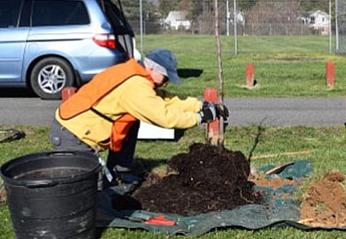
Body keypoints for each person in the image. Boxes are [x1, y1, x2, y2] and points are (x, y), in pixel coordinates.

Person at [49, 48, 228, 190]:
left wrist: (200, 105)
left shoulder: (137, 74)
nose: (166, 82)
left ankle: (119, 173)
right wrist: (200, 118)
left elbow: (166, 99)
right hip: (73, 133)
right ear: (151, 68)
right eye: (165, 77)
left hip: (78, 127)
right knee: (84, 189)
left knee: (130, 123)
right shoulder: (135, 87)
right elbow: (164, 117)